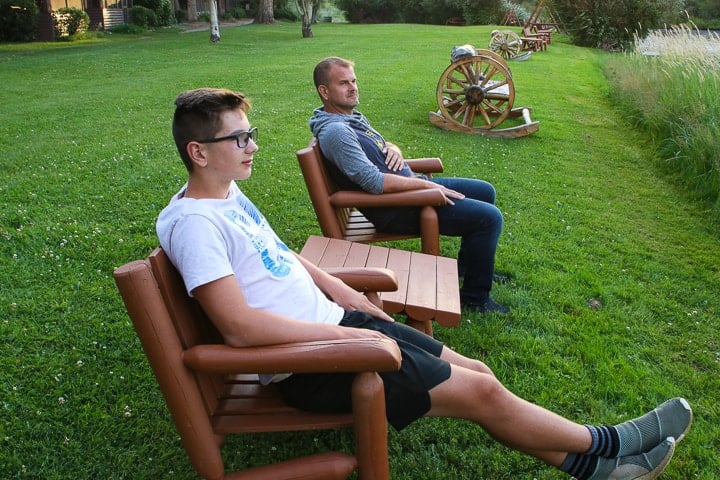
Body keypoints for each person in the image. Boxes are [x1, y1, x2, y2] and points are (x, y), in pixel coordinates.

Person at [157, 87, 692, 480]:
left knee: (477, 371)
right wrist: (353, 339)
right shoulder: (196, 225)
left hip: (337, 326)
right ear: (198, 152)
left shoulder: (226, 194)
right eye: (237, 138)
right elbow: (240, 327)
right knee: (480, 390)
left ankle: (595, 469)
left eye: (250, 134)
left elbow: (284, 257)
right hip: (307, 362)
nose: (252, 146)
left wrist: (349, 299)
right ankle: (611, 443)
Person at [309, 56, 507, 313]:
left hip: (410, 187)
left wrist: (394, 148)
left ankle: (469, 268)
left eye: (354, 81)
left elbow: (380, 146)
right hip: (398, 207)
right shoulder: (336, 132)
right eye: (343, 83)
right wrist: (426, 188)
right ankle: (475, 297)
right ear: (324, 91)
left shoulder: (350, 119)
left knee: (485, 191)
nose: (353, 87)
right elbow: (372, 180)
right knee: (489, 218)